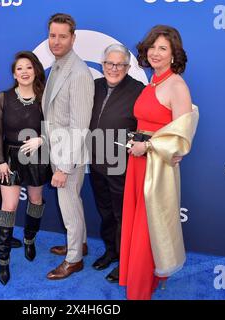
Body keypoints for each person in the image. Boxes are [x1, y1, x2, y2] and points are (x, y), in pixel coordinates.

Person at [119, 25, 199, 300]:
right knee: (140, 223)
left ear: (174, 54)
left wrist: (149, 146)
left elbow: (181, 136)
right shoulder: (153, 81)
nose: (155, 53)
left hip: (157, 168)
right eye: (152, 47)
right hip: (139, 162)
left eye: (163, 48)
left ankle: (140, 290)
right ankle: (148, 277)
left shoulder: (176, 85)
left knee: (147, 226)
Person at [0, 51, 52, 285]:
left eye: (29, 67)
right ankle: (3, 259)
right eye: (20, 68)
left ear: (35, 70)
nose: (25, 72)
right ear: (14, 74)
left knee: (36, 200)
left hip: (37, 155)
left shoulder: (44, 97)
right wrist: (0, 160)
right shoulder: (3, 97)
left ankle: (29, 238)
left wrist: (43, 139)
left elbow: (56, 125)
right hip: (9, 157)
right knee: (9, 206)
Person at [42, 13, 95, 280]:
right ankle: (80, 244)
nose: (57, 41)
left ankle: (73, 259)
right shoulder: (58, 65)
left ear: (73, 38)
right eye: (53, 35)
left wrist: (63, 167)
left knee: (68, 204)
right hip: (57, 147)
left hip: (68, 153)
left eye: (63, 36)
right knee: (73, 200)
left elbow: (79, 125)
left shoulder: (79, 73)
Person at [88, 44, 144, 283]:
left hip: (122, 165)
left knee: (123, 216)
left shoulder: (139, 90)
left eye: (119, 64)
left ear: (128, 67)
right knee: (105, 211)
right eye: (109, 63)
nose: (113, 68)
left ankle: (125, 261)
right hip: (96, 162)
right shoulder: (94, 85)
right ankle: (111, 251)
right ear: (102, 64)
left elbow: (146, 127)